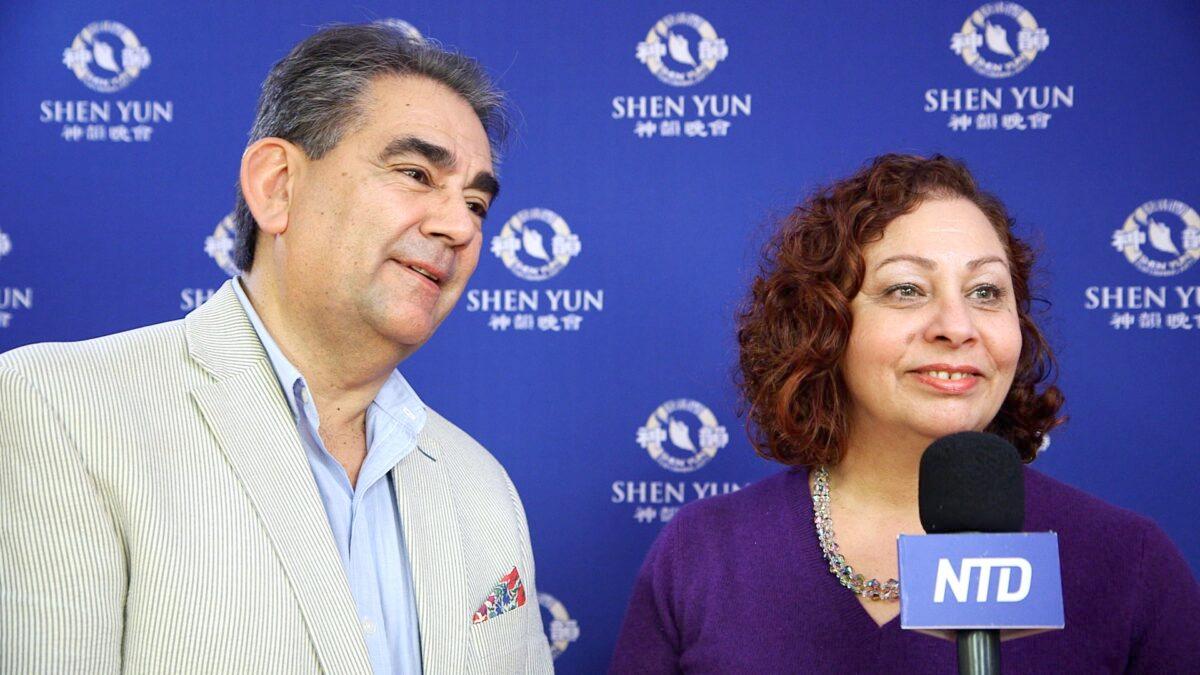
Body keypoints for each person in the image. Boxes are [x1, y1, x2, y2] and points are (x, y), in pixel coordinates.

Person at [1, 24, 552, 674]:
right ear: (276, 185)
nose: (458, 225)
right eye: (415, 173)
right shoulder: (58, 410)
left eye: (476, 203)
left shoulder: (482, 487)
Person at [609, 154, 1200, 673]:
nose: (957, 327)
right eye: (908, 290)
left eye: (986, 292)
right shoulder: (702, 553)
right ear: (825, 326)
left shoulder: (1129, 562)